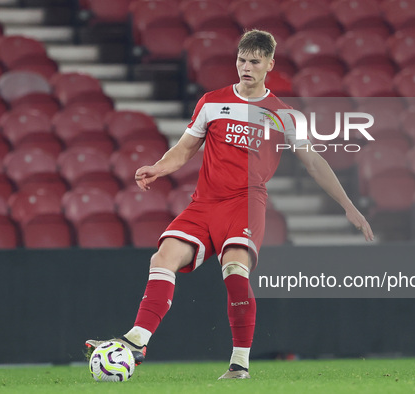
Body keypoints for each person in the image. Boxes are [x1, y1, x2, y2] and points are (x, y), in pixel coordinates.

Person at [86, 29, 374, 380]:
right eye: (241, 59)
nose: (246, 67)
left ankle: (239, 365)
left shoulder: (285, 115)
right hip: (204, 203)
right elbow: (185, 148)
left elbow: (313, 161)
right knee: (162, 258)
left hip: (245, 204)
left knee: (235, 273)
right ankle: (137, 340)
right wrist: (159, 168)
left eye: (255, 61)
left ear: (270, 64)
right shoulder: (212, 102)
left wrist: (348, 205)